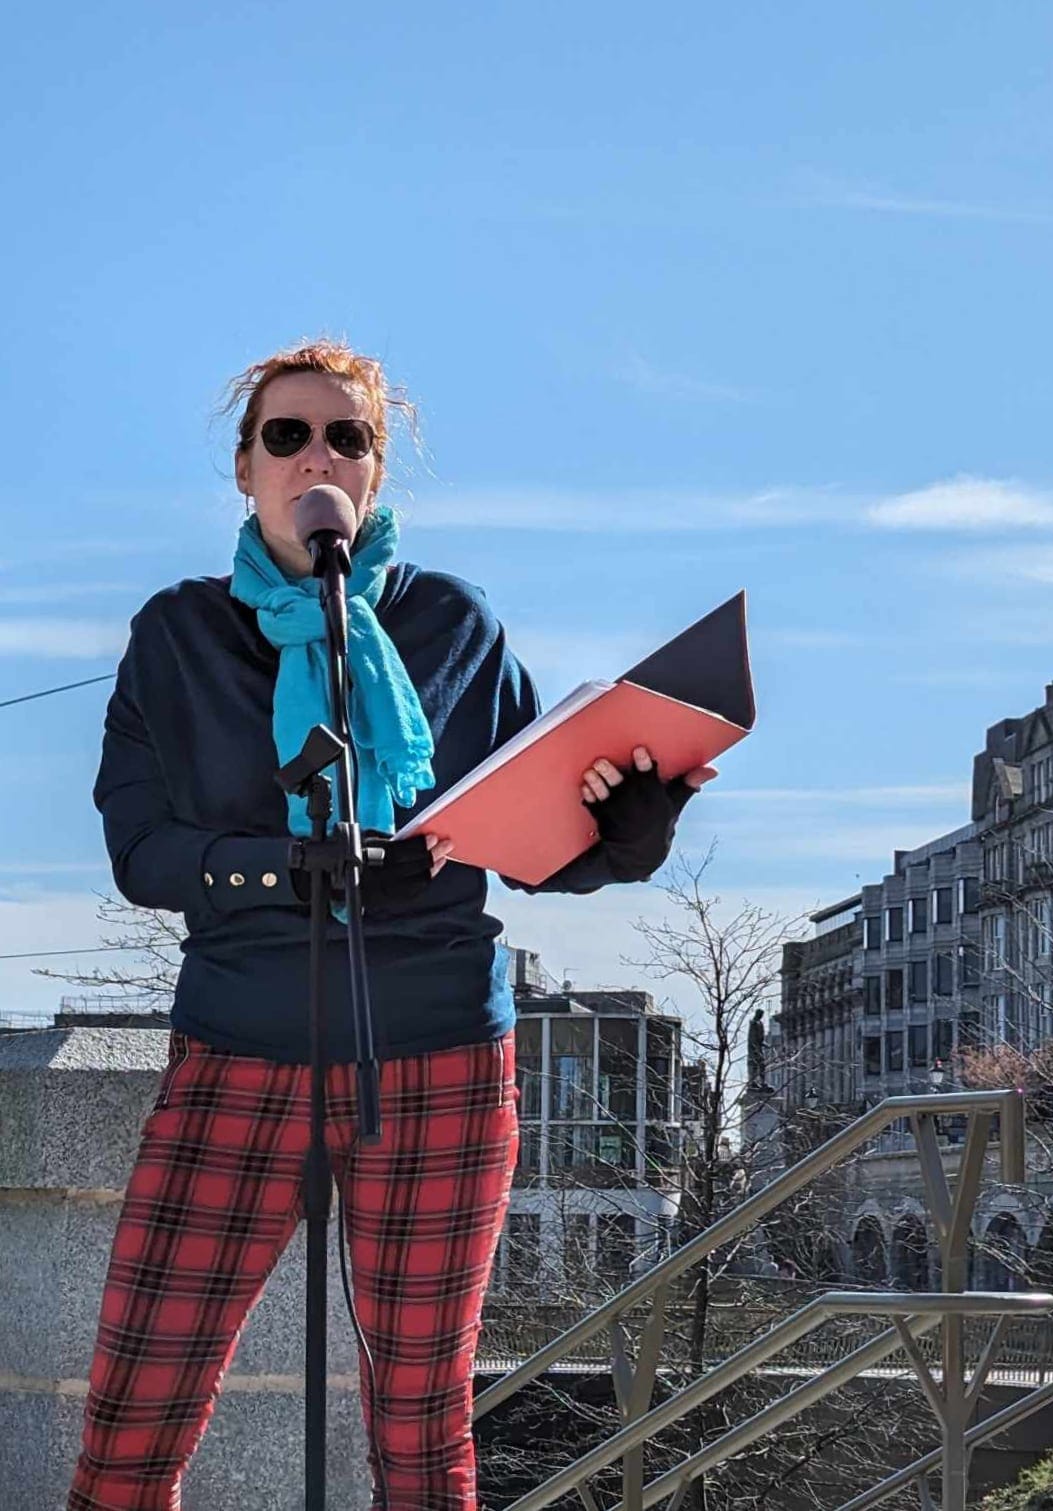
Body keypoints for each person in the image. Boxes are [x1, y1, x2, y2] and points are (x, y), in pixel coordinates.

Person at [67, 338, 717, 1511]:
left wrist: (630, 829)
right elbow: (142, 851)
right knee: (132, 1419)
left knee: (422, 1431)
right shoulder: (177, 634)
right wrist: (285, 866)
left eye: (347, 437)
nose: (316, 457)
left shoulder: (453, 621)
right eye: (288, 434)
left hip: (440, 1055)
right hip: (239, 1047)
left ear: (376, 469)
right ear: (245, 467)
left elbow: (536, 835)